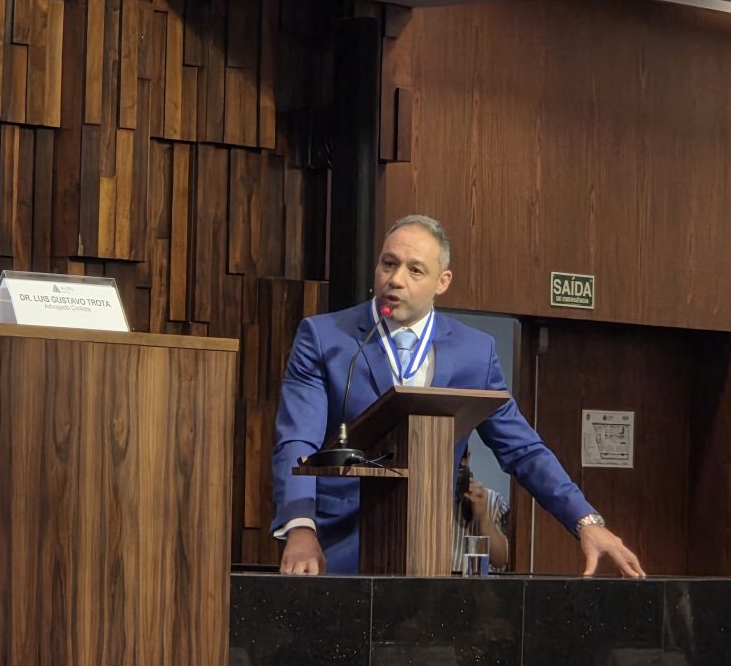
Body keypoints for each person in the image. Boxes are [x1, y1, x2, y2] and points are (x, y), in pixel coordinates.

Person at [271, 214, 645, 578]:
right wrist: (300, 527)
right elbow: (297, 440)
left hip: (427, 548)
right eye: (389, 264)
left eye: (415, 270)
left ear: (442, 281)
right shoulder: (325, 337)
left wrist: (586, 520)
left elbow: (522, 449)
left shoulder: (474, 353)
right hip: (329, 547)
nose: (396, 279)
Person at [452, 457, 510, 572]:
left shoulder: (493, 501)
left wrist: (484, 518)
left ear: (467, 458)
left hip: (476, 582)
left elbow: (500, 562)